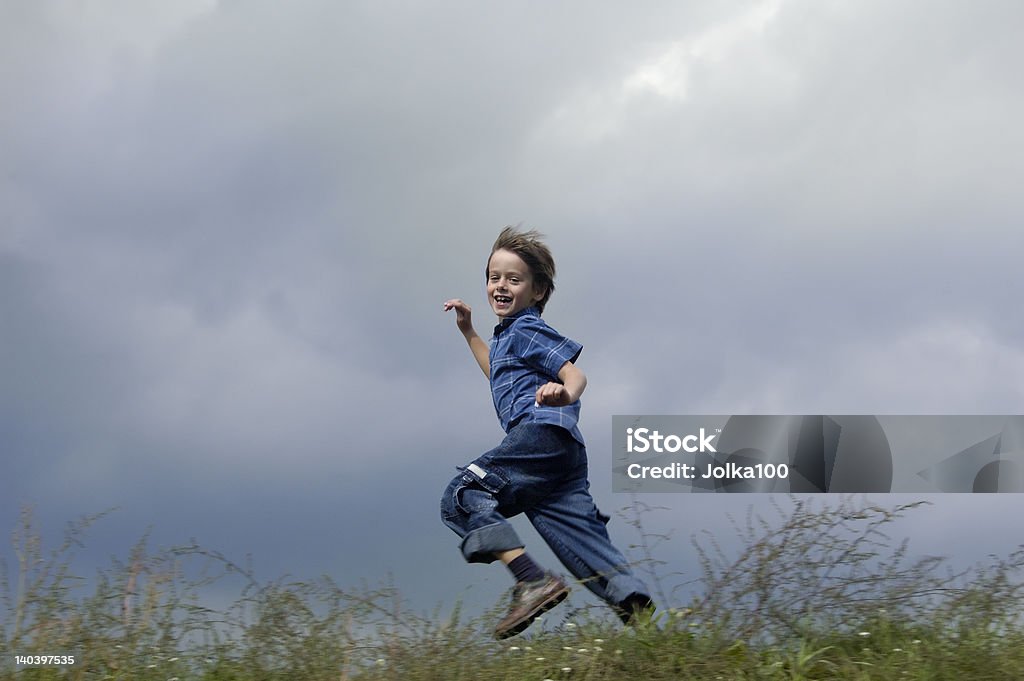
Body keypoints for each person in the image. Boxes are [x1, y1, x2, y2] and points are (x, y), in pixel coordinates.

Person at [441, 226, 654, 639]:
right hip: (560, 457)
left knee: (462, 495)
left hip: (540, 435)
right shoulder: (506, 338)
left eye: (513, 279)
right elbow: (496, 374)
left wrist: (563, 392)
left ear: (537, 292)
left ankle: (531, 580)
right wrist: (469, 332)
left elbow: (575, 374)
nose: (500, 286)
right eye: (493, 277)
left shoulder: (526, 329)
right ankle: (642, 620)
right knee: (579, 541)